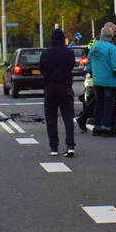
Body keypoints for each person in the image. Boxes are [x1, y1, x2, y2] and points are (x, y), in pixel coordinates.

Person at [40, 28, 76, 157]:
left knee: (51, 118)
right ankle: (70, 145)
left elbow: (42, 68)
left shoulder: (46, 53)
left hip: (50, 88)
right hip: (65, 87)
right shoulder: (69, 53)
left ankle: (54, 147)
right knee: (68, 117)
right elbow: (71, 66)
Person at [87, 25, 116, 136]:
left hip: (97, 81)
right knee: (108, 105)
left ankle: (97, 127)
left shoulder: (94, 46)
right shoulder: (111, 48)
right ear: (111, 35)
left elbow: (88, 64)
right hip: (109, 81)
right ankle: (106, 128)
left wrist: (94, 73)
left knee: (99, 104)